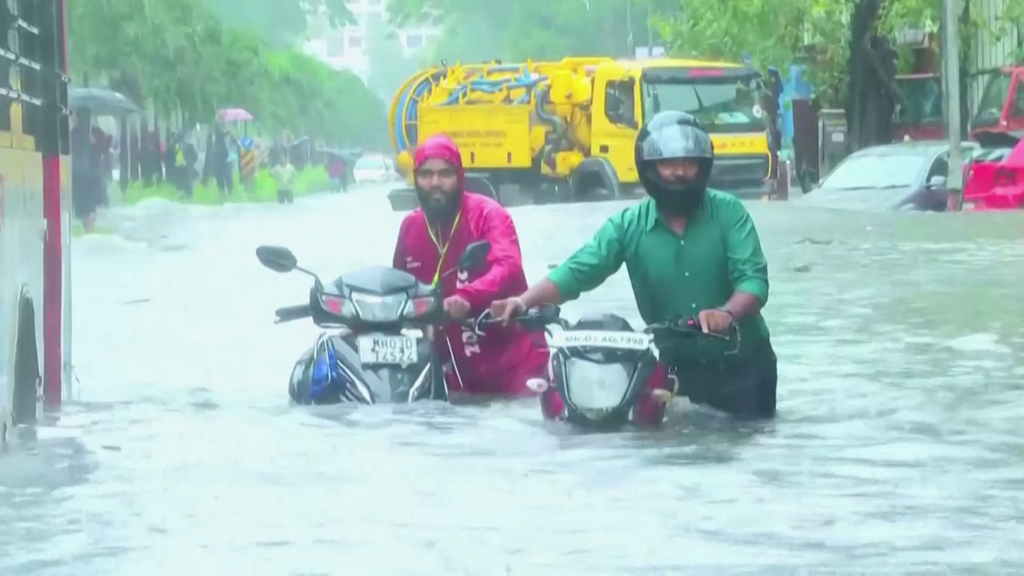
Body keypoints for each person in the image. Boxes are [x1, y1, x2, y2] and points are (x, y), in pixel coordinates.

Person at [490, 111, 777, 423]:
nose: (680, 172)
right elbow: (577, 272)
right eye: (669, 164)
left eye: (689, 163)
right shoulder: (628, 225)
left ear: (703, 166)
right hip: (674, 369)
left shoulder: (729, 213)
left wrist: (727, 313)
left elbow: (754, 282)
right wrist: (521, 302)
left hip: (744, 369)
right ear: (650, 168)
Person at [392, 134, 549, 398]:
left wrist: (467, 297)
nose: (435, 183)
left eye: (445, 174)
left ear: (460, 177)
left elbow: (507, 265)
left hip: (516, 369)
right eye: (426, 175)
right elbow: (397, 289)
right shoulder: (410, 227)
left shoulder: (489, 215)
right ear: (415, 179)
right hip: (454, 373)